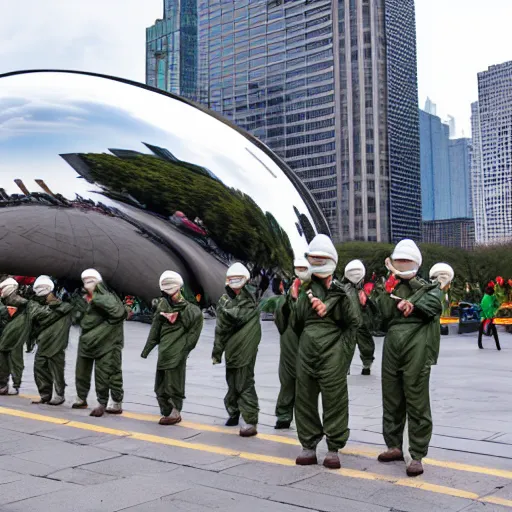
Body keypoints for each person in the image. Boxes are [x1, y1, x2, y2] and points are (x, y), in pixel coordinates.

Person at [292, 235, 361, 469]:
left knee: (335, 399)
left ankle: (333, 447)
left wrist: (344, 353)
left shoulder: (343, 292)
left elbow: (353, 324)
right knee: (304, 399)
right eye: (314, 259)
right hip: (307, 352)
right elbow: (296, 323)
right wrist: (296, 296)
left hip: (333, 351)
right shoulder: (305, 290)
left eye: (322, 259)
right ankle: (308, 445)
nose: (317, 263)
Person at [377, 240, 444, 477]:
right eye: (398, 260)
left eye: (406, 261)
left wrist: (412, 305)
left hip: (417, 347)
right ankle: (393, 445)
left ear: (416, 263)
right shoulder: (389, 286)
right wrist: (387, 291)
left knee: (417, 400)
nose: (401, 264)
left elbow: (435, 303)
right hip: (392, 347)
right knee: (392, 398)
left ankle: (417, 454)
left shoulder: (428, 287)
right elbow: (381, 316)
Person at [141, 271, 203, 425]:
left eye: (172, 292)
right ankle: (167, 411)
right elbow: (155, 328)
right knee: (160, 386)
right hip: (164, 352)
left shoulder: (190, 310)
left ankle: (175, 412)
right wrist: (147, 349)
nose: (170, 296)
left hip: (177, 352)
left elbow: (193, 334)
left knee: (174, 383)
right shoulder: (163, 305)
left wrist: (184, 350)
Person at [212, 262, 261, 437]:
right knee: (232, 381)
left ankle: (250, 420)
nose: (234, 282)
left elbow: (237, 316)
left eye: (237, 279)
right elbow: (221, 328)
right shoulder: (227, 300)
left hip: (245, 347)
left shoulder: (250, 298)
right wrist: (217, 352)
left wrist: (224, 310)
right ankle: (234, 412)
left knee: (244, 382)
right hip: (232, 349)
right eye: (231, 279)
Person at [73, 269, 126, 417]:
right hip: (87, 341)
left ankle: (110, 401)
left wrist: (95, 298)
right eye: (85, 281)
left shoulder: (106, 297)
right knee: (81, 371)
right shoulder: (84, 298)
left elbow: (118, 312)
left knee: (108, 372)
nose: (87, 284)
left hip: (107, 341)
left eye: (91, 281)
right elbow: (76, 317)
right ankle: (81, 397)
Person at [273, 258, 311, 430]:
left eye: (304, 268)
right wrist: (290, 300)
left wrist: (297, 301)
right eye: (298, 268)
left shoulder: (314, 293)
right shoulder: (287, 295)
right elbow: (280, 321)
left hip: (306, 346)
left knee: (305, 387)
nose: (300, 272)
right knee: (287, 381)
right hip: (288, 344)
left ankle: (306, 420)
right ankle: (283, 415)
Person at [30, 275, 74, 405]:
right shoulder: (40, 306)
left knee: (57, 371)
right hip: (43, 343)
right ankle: (45, 395)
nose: (45, 297)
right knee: (39, 368)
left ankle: (59, 395)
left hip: (57, 344)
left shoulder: (65, 307)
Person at [343, 260, 376, 376]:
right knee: (347, 347)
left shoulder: (360, 291)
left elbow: (372, 307)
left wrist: (366, 302)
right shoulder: (344, 290)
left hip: (359, 323)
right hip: (351, 324)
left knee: (365, 345)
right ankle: (349, 367)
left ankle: (366, 365)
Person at [0, 278, 32, 395]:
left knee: (15, 359)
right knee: (4, 359)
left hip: (14, 337)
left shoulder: (21, 302)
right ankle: (5, 384)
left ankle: (14, 385)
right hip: (5, 336)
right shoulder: (8, 301)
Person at [478, 283, 501, 350]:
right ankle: (498, 347)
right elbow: (495, 306)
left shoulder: (486, 298)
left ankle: (480, 345)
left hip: (484, 317)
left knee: (481, 331)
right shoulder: (489, 298)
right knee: (494, 332)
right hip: (488, 317)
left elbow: (483, 307)